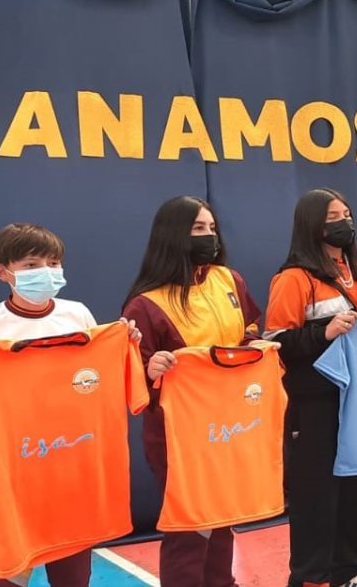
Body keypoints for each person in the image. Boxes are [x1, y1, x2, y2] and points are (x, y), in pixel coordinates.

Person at [0, 223, 141, 587]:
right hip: (10, 483)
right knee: (6, 579)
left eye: (54, 263)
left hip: (71, 480)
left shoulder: (78, 315)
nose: (47, 272)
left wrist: (123, 341)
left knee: (73, 579)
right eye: (32, 264)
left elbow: (96, 379)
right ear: (2, 272)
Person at [265, 189, 357, 587]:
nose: (344, 222)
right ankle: (310, 578)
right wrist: (323, 332)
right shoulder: (292, 279)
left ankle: (349, 573)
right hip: (315, 404)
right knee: (317, 496)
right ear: (313, 224)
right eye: (334, 215)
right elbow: (275, 342)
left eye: (347, 213)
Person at [122, 196, 263, 587]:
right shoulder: (144, 304)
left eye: (212, 228)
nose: (209, 236)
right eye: (198, 228)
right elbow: (131, 381)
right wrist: (151, 371)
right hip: (178, 435)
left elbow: (251, 327)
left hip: (232, 423)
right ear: (173, 236)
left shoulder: (230, 280)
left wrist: (256, 344)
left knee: (223, 518)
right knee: (189, 529)